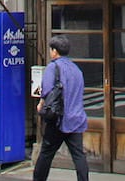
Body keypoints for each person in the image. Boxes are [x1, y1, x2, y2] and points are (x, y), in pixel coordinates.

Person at [33, 35, 88, 181]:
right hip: (77, 118)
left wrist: (41, 105)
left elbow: (46, 90)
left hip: (59, 119)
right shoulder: (76, 69)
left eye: (51, 49)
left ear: (54, 51)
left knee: (46, 153)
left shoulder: (53, 67)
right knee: (79, 155)